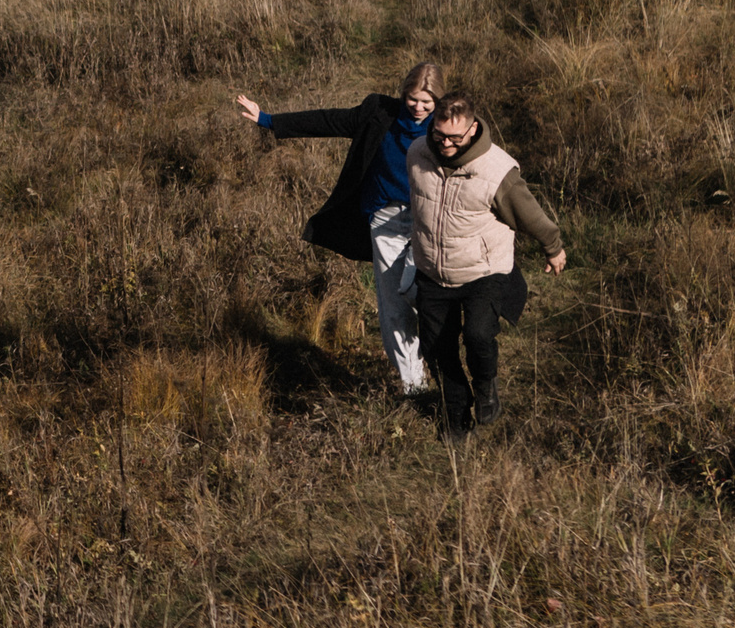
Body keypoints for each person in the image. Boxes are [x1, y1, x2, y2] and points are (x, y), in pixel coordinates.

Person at [233, 62, 444, 395]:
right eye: (412, 99)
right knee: (394, 305)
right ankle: (414, 387)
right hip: (386, 221)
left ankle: (442, 363)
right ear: (403, 94)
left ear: (438, 101)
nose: (418, 107)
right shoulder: (379, 113)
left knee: (422, 294)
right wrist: (269, 120)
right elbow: (330, 120)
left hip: (429, 222)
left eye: (426, 102)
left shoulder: (446, 126)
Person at [406, 91, 567, 431]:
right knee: (437, 348)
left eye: (454, 137)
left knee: (478, 336)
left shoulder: (496, 170)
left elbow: (529, 213)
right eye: (439, 134)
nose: (445, 143)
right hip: (432, 270)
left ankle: (485, 384)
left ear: (473, 129)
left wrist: (553, 247)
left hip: (483, 270)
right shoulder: (417, 152)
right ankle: (456, 415)